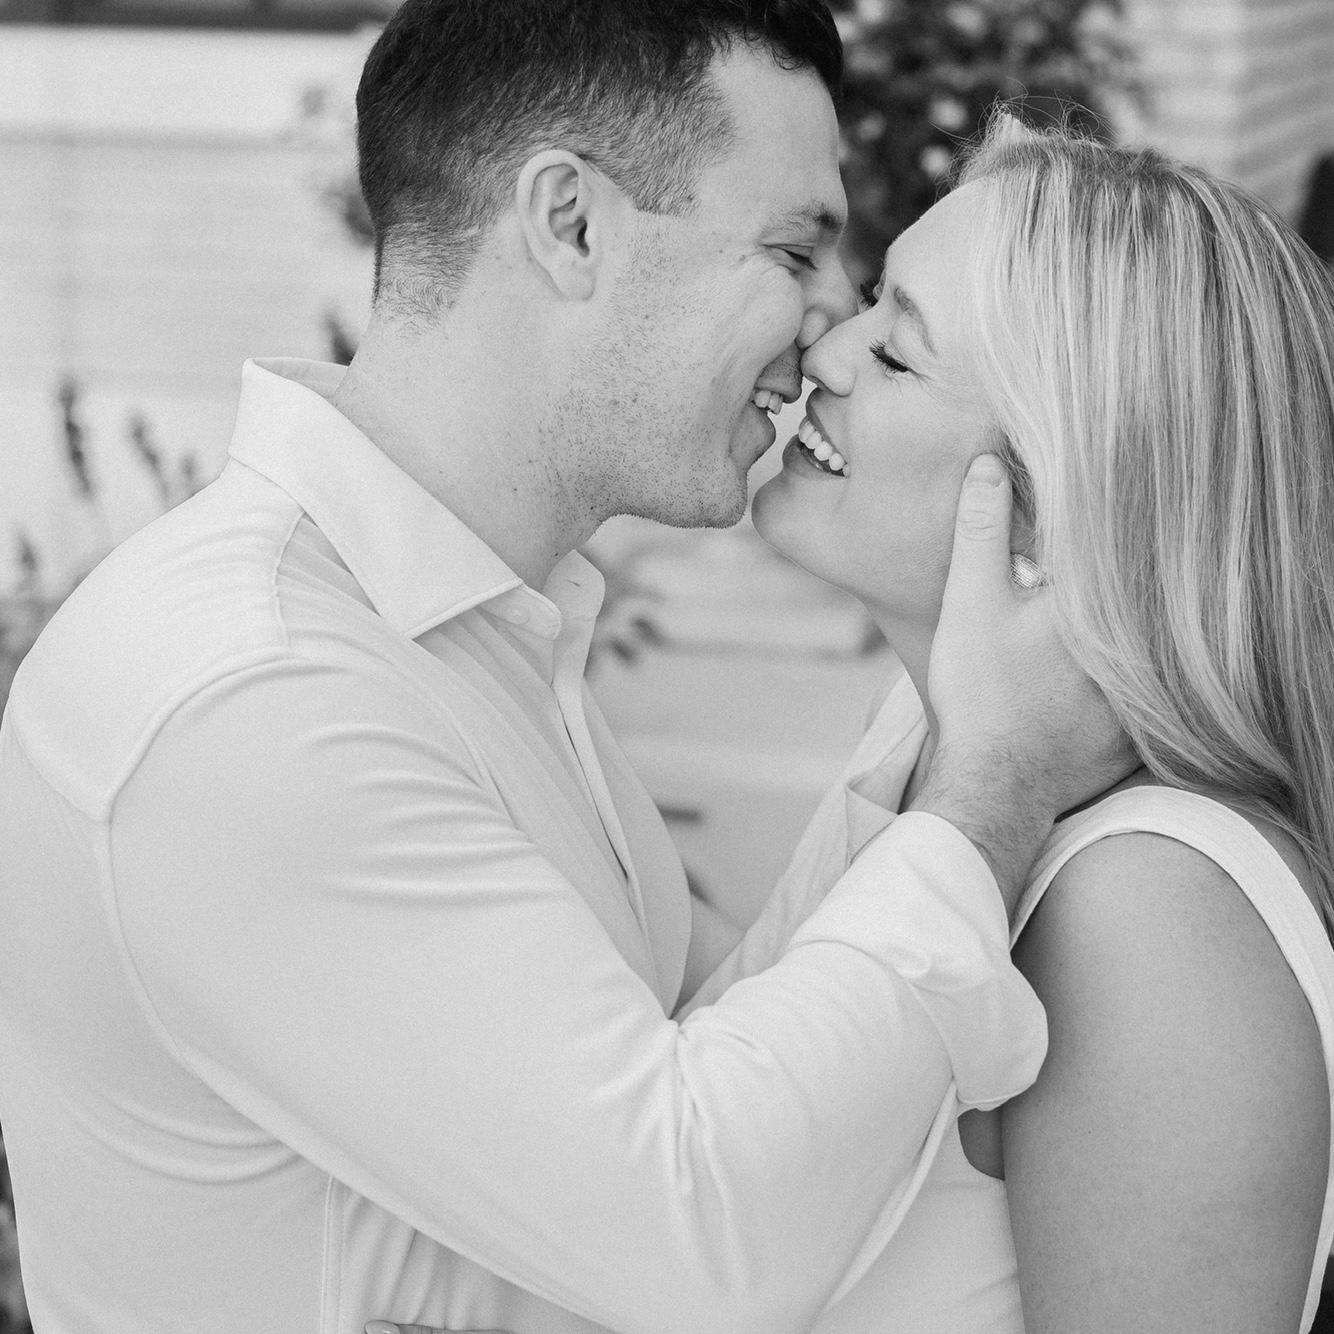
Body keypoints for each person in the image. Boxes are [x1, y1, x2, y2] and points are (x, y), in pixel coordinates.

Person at [0, 5, 1127, 1333]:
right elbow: (699, 1236)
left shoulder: (471, 627)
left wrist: (938, 728)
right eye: (791, 249)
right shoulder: (253, 694)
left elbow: (687, 1062)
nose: (831, 321)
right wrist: (992, 786)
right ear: (572, 224)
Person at [374, 114, 1334, 1334]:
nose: (825, 350)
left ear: (1055, 501)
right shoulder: (936, 771)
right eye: (872, 299)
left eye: (897, 353)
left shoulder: (1145, 906)